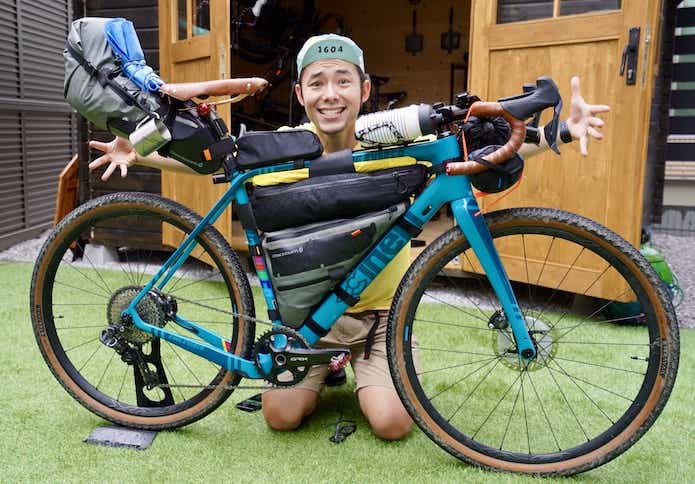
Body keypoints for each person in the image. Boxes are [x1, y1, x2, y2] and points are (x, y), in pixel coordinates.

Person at [89, 34, 609, 440]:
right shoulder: (280, 152)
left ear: (364, 90)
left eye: (343, 81)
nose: (330, 94)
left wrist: (559, 132)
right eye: (316, 83)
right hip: (309, 324)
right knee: (281, 416)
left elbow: (478, 154)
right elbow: (209, 165)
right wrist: (138, 151)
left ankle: (365, 365)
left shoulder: (400, 142)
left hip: (385, 316)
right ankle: (329, 367)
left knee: (391, 423)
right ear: (300, 94)